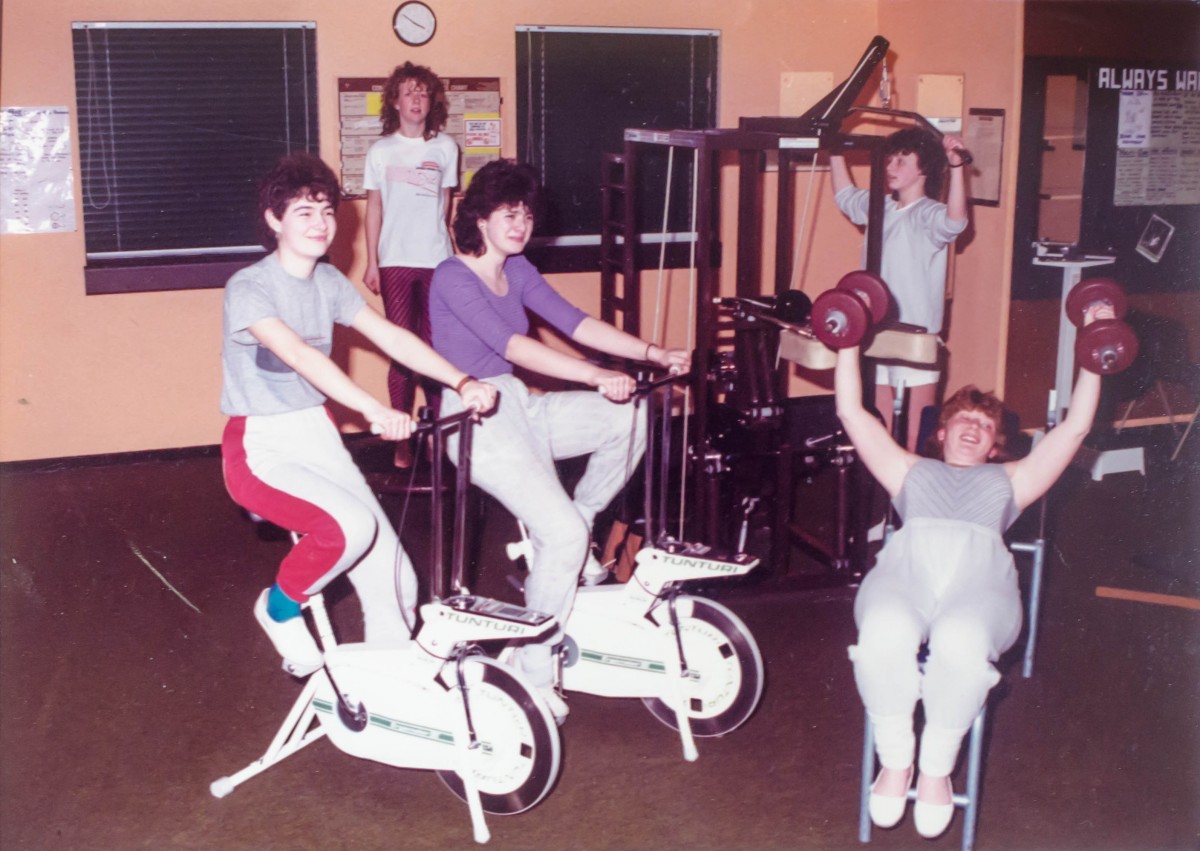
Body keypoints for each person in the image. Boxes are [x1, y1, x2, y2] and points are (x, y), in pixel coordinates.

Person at [834, 302, 1113, 839]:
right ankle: (896, 761)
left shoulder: (1013, 480)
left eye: (984, 426)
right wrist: (848, 339)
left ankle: (937, 767)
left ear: (995, 444)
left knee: (961, 640)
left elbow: (1076, 427)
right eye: (962, 419)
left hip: (978, 582)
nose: (971, 428)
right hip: (907, 572)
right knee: (884, 632)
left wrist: (1094, 342)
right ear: (940, 432)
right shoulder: (908, 469)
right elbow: (852, 412)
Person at [429, 158, 690, 719]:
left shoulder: (516, 268)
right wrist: (596, 375)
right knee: (563, 533)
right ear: (478, 217)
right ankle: (532, 670)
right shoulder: (452, 275)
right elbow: (513, 347)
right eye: (507, 213)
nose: (519, 224)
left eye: (525, 213)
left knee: (631, 416)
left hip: (520, 404)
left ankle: (574, 529)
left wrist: (650, 353)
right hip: (473, 418)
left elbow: (574, 322)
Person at [220, 152, 496, 678]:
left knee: (397, 580)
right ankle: (277, 609)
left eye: (326, 211)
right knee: (347, 527)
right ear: (274, 221)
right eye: (303, 212)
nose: (321, 223)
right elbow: (300, 355)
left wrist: (461, 380)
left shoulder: (328, 283)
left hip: (316, 436)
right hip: (261, 445)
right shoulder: (249, 287)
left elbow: (392, 336)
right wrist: (373, 409)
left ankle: (386, 684)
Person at [831, 128, 969, 451]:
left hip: (914, 340)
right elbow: (844, 196)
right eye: (889, 159)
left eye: (902, 160)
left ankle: (909, 502)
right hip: (878, 334)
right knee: (879, 431)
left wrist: (957, 167)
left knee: (912, 439)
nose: (891, 167)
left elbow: (955, 221)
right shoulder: (881, 207)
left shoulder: (927, 213)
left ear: (923, 169)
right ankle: (879, 502)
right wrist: (833, 149)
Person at [362, 62, 459, 467]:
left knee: (435, 350)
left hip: (436, 260)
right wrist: (372, 261)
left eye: (423, 92)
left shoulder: (446, 148)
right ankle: (400, 440)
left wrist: (452, 254)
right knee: (402, 352)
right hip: (396, 262)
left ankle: (438, 435)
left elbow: (447, 204)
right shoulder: (381, 151)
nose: (416, 99)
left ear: (430, 100)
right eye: (408, 92)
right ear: (395, 102)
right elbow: (373, 209)